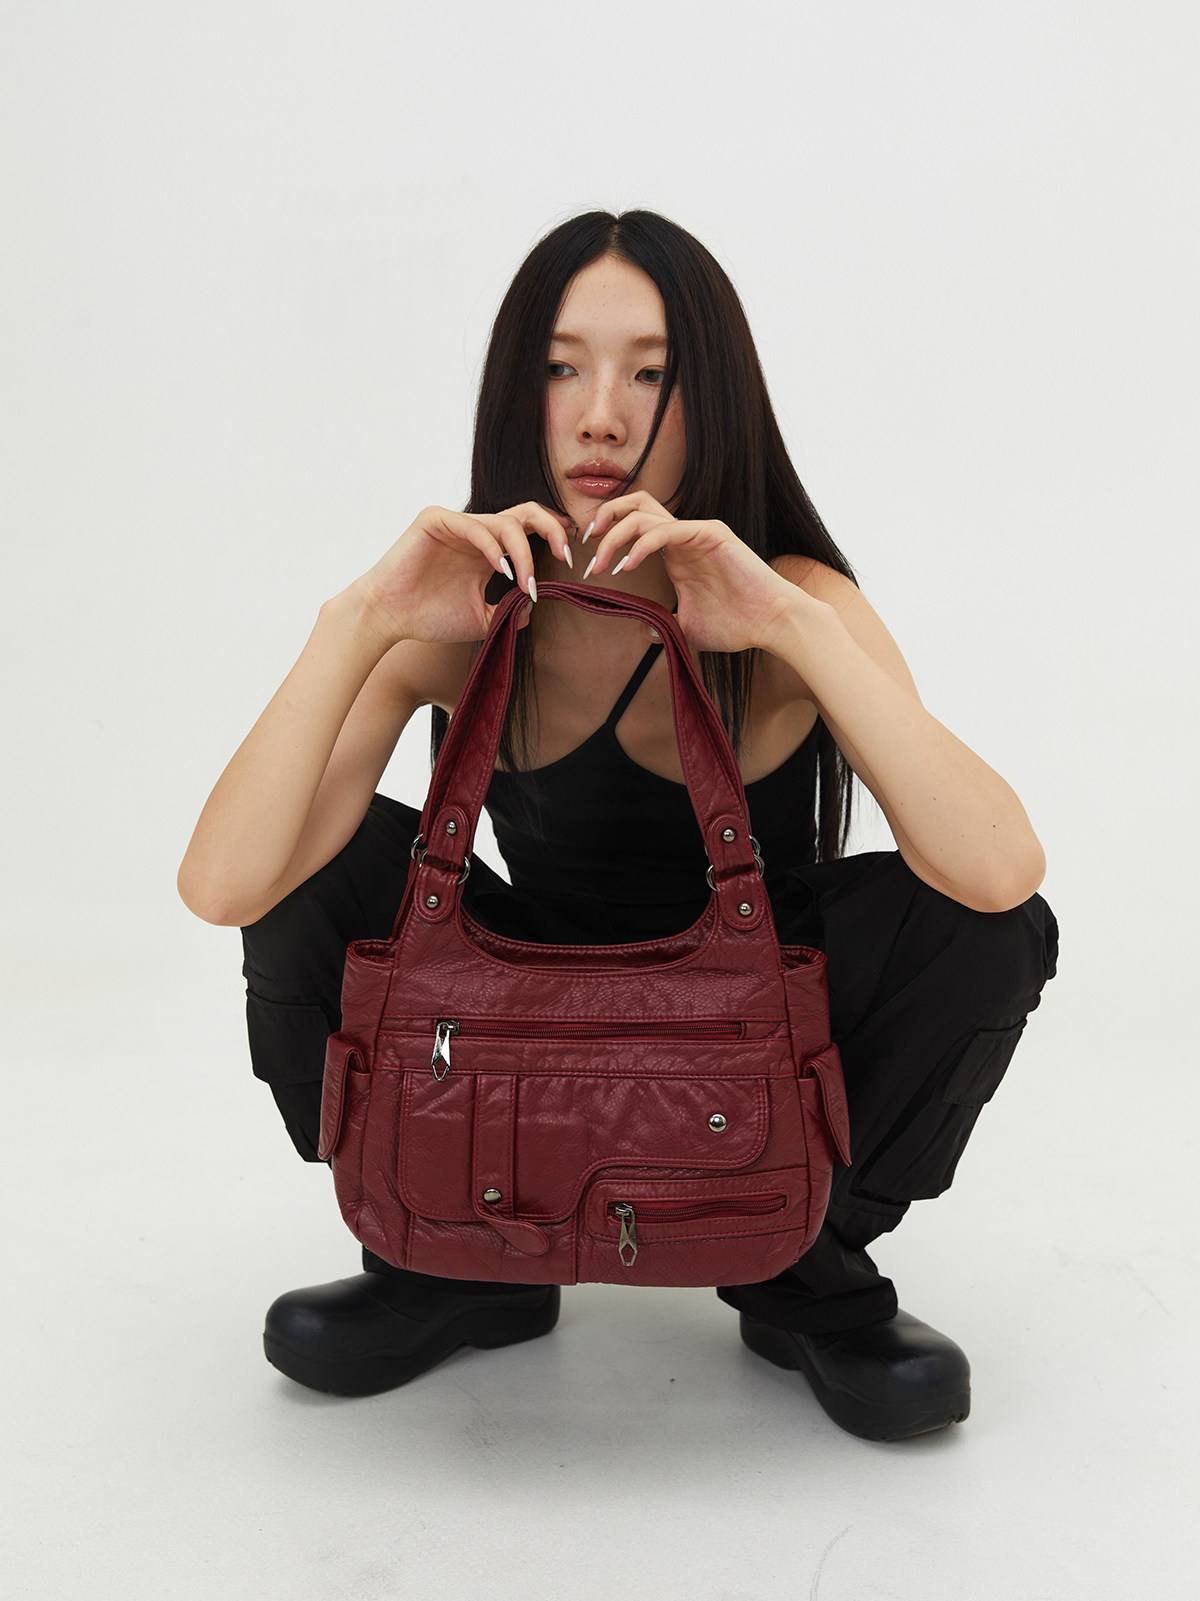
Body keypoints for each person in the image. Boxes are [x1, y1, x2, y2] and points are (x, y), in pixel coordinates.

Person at [177, 209, 1059, 1443]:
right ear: (517, 391)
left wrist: (791, 623)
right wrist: (359, 618)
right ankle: (452, 1251)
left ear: (717, 398)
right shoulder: (466, 607)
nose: (599, 414)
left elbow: (1000, 872)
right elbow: (226, 882)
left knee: (982, 929)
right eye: (561, 366)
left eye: (651, 373)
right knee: (305, 865)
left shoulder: (793, 603)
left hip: (751, 1008)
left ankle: (806, 1266)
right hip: (515, 996)